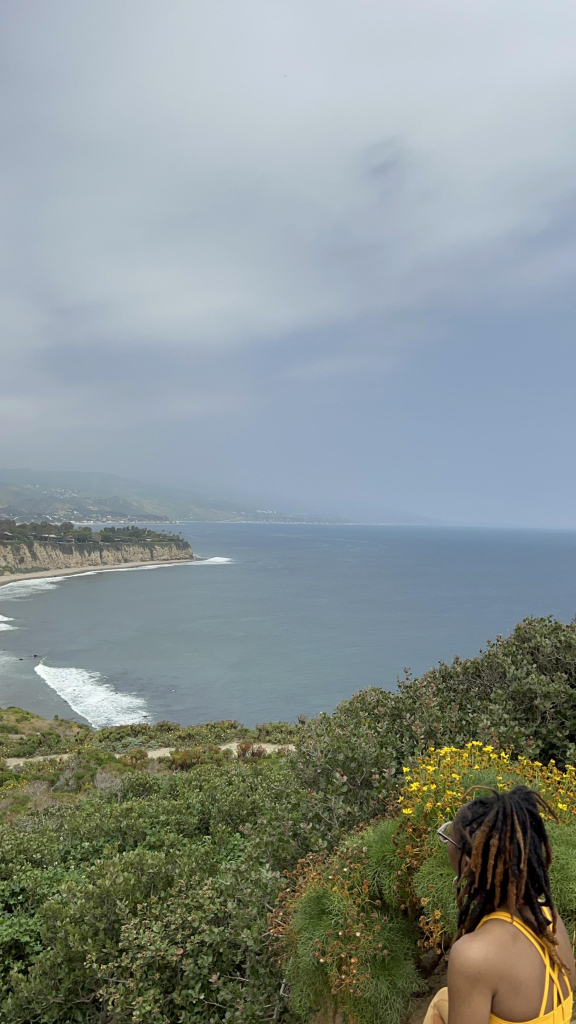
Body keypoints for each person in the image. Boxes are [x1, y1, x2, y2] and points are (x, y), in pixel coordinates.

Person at [423, 785, 575, 1024]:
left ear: (468, 861)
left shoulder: (474, 955)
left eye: (447, 837)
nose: (446, 844)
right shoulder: (549, 918)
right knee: (442, 999)